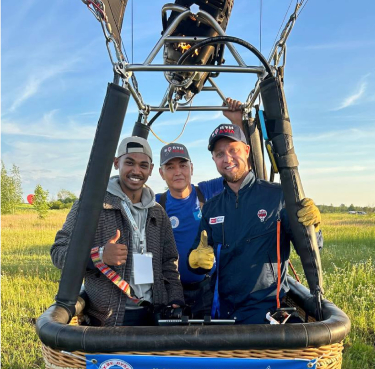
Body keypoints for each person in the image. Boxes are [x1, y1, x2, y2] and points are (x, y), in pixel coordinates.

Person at [187, 102, 322, 324]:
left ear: (247, 151)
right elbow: (199, 255)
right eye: (220, 154)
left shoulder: (278, 197)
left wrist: (312, 227)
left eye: (233, 150)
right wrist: (196, 261)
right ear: (214, 160)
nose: (227, 159)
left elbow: (308, 247)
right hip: (224, 314)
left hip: (267, 313)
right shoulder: (212, 207)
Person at [51, 136, 184, 326]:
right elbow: (58, 252)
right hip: (108, 318)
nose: (136, 171)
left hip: (153, 314)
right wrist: (99, 256)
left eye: (143, 165)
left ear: (151, 169)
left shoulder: (157, 212)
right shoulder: (91, 204)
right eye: (129, 163)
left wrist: (175, 299)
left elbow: (169, 262)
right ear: (116, 163)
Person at [157, 142, 224, 317]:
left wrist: (238, 123)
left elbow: (242, 170)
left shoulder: (207, 191)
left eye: (183, 165)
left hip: (207, 288)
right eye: (170, 167)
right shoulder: (156, 203)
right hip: (171, 291)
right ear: (161, 173)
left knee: (207, 339)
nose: (178, 172)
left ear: (191, 168)